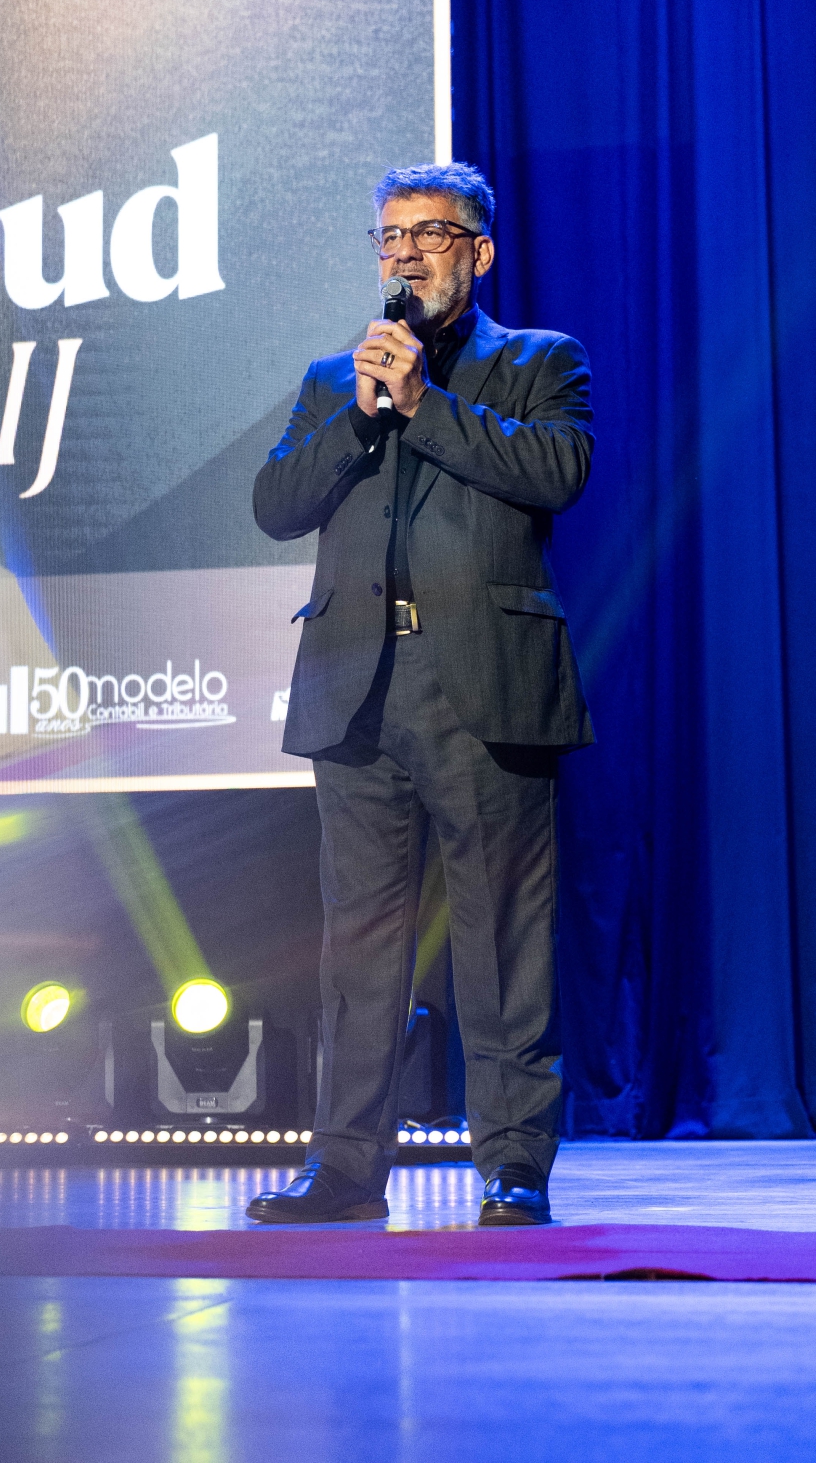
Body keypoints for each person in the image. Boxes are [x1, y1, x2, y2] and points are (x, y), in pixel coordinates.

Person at [249, 162, 594, 1227]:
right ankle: (345, 1171)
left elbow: (556, 473)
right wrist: (361, 417)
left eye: (430, 234)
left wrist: (423, 406)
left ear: (477, 252)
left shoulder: (538, 361)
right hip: (355, 688)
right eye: (390, 236)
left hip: (484, 684)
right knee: (357, 944)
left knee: (501, 938)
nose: (405, 254)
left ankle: (512, 1166)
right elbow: (275, 505)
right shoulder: (333, 379)